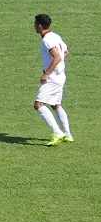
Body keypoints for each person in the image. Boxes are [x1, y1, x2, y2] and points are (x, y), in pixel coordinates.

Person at [32, 14, 72, 146]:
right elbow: (65, 52)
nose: (33, 26)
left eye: (35, 23)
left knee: (38, 104)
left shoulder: (47, 40)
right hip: (60, 75)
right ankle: (67, 134)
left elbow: (57, 57)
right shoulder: (56, 36)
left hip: (53, 77)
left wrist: (47, 73)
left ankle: (57, 132)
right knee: (55, 105)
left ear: (39, 25)